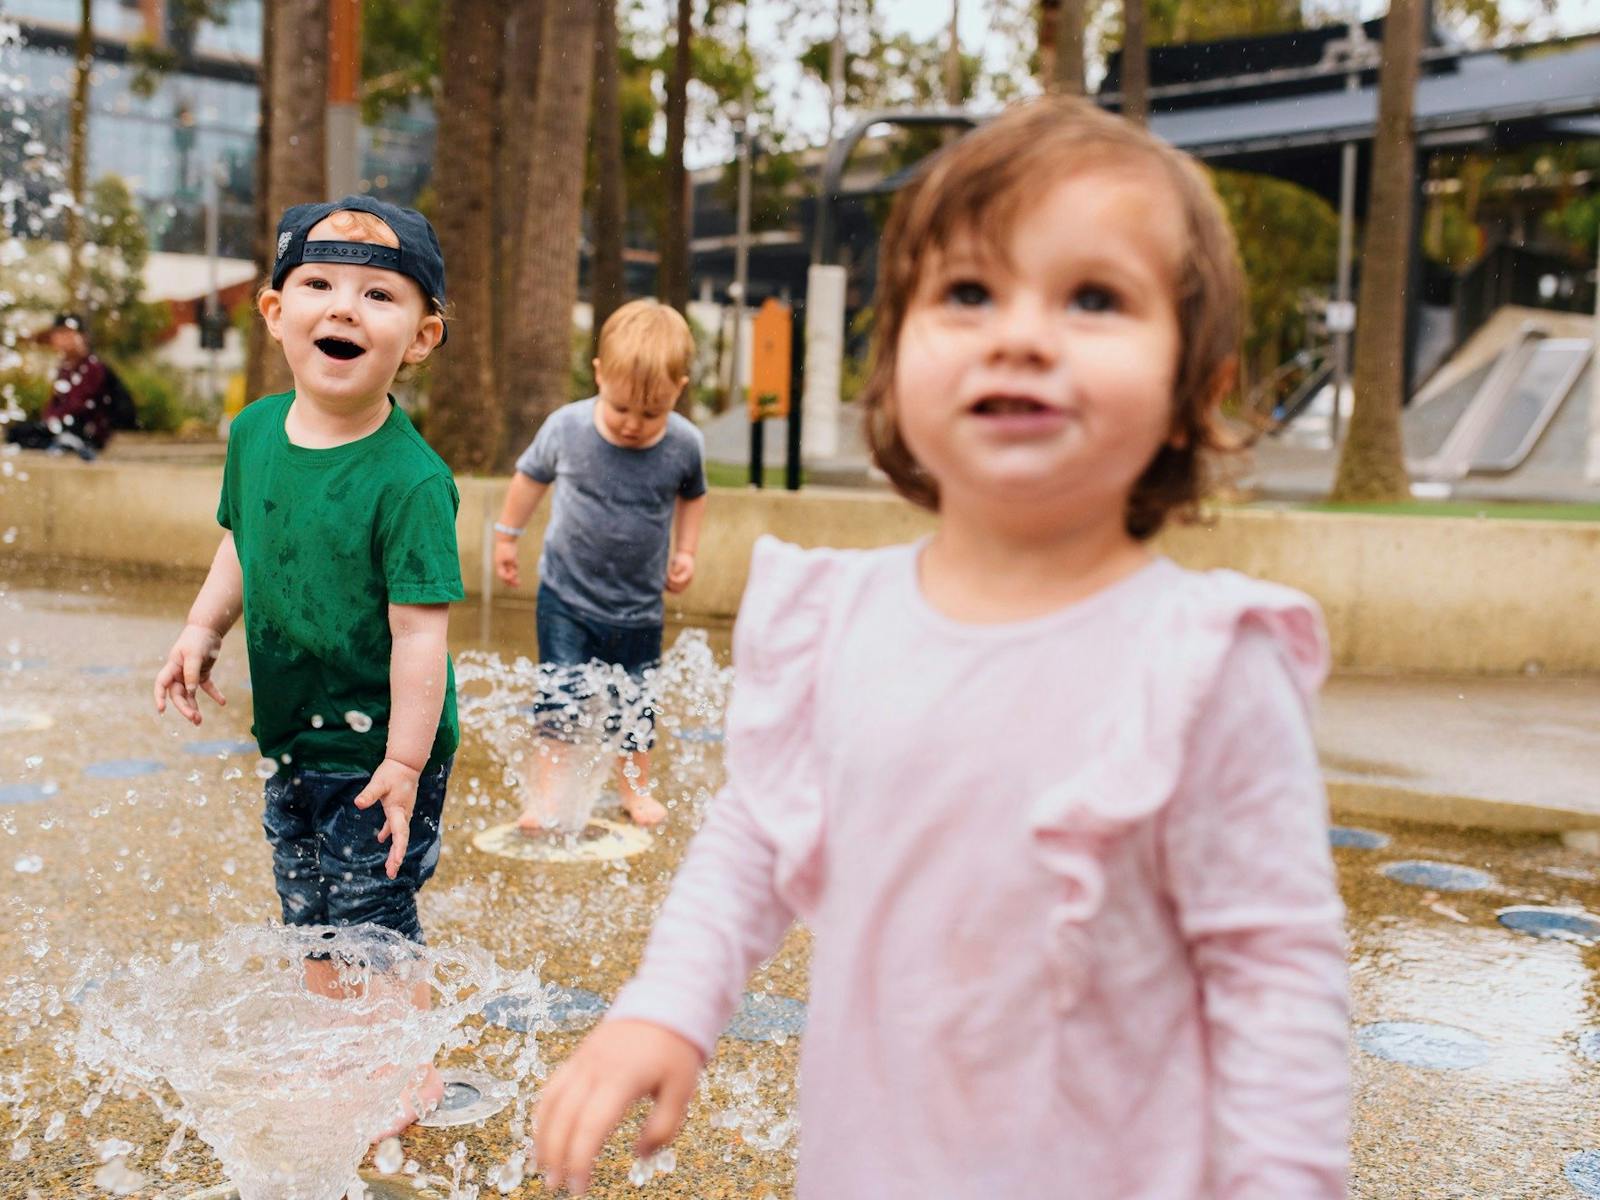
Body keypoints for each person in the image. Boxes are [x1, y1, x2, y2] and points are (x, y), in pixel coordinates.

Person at [531, 97, 1349, 1198]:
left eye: (1093, 298)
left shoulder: (1203, 666)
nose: (1019, 332)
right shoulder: (839, 623)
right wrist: (666, 1004)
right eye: (967, 292)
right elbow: (752, 842)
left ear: (1191, 389)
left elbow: (1275, 980)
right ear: (896, 364)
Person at [152, 196, 461, 1137]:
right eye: (318, 285)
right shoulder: (253, 434)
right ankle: (337, 1046)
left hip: (382, 751)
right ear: (275, 312)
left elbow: (421, 637)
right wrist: (203, 631)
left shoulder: (408, 479)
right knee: (308, 906)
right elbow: (244, 544)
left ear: (420, 337)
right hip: (291, 733)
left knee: (374, 917)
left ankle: (408, 1071)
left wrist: (405, 764)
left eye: (379, 294)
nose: (344, 308)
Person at [493, 298, 707, 830]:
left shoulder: (685, 443)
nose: (634, 424)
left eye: (652, 412)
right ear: (599, 376)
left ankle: (634, 791)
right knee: (559, 696)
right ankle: (546, 797)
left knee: (636, 705)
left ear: (678, 389)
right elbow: (529, 478)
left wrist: (686, 552)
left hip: (639, 606)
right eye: (621, 409)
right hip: (566, 596)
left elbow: (694, 496)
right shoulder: (567, 428)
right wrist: (506, 536)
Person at [4, 313, 128, 459]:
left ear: (82, 337)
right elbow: (55, 403)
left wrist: (51, 421)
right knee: (17, 432)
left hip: (87, 431)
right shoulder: (65, 369)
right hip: (63, 426)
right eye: (59, 335)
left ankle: (69, 443)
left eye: (68, 334)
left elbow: (78, 405)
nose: (62, 340)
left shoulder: (94, 367)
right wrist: (46, 421)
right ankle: (59, 442)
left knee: (46, 431)